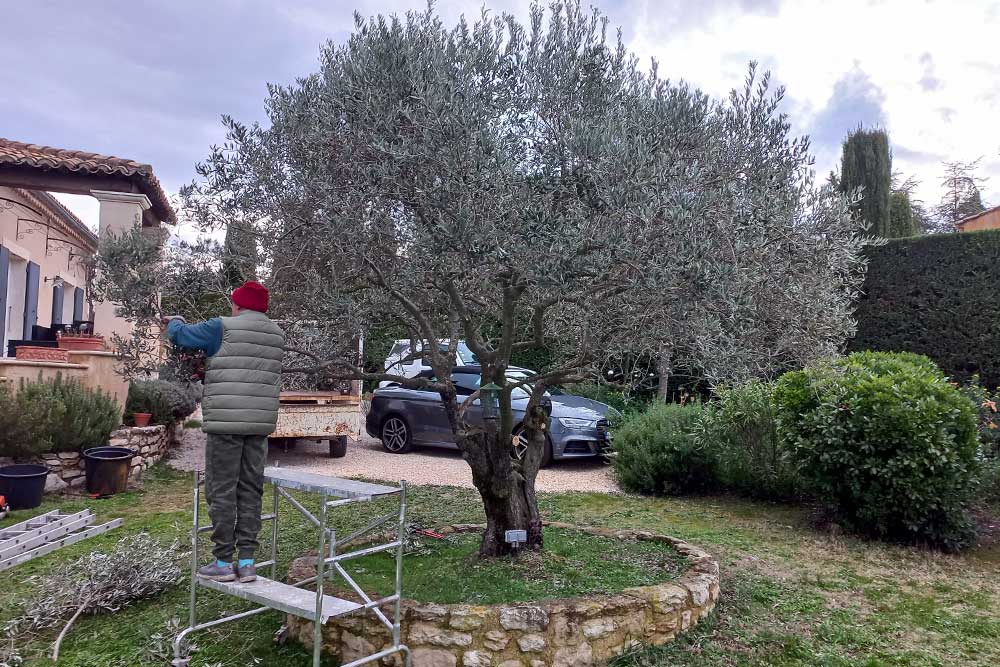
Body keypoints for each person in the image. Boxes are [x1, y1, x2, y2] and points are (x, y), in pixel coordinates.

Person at [164, 281, 284, 583]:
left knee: (221, 490)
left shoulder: (223, 327)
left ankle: (221, 561)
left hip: (225, 425)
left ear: (238, 305)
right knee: (250, 490)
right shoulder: (276, 334)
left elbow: (182, 337)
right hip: (258, 425)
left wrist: (175, 321)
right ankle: (246, 562)